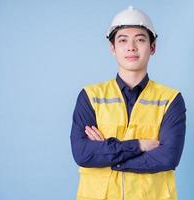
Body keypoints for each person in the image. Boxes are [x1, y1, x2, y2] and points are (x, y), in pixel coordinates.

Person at [70, 6, 186, 200]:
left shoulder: (170, 99)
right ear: (112, 48)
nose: (131, 47)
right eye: (123, 40)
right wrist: (139, 145)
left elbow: (168, 157)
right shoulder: (90, 97)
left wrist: (109, 154)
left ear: (152, 47)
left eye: (140, 39)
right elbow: (83, 154)